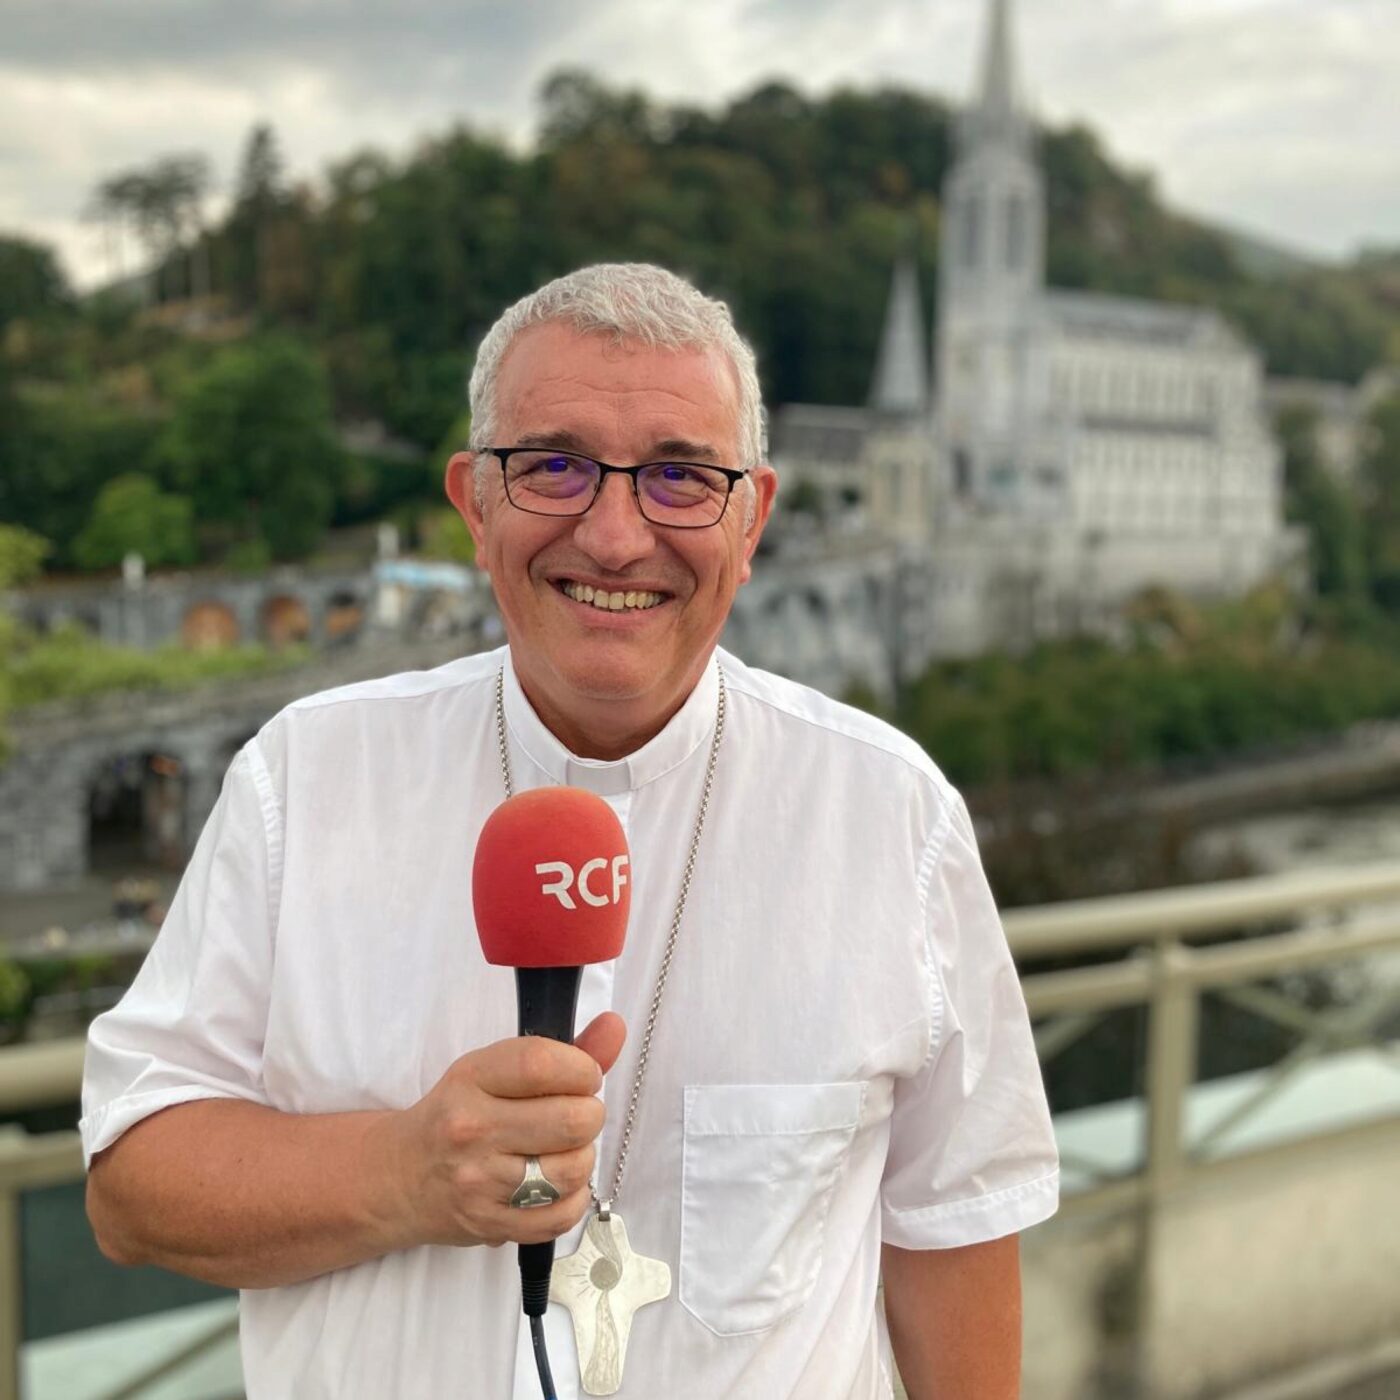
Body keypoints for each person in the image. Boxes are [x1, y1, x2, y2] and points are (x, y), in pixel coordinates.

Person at [82, 263, 1058, 1399]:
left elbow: (955, 1225)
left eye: (681, 477)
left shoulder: (892, 815)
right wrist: (400, 1172)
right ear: (472, 502)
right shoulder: (305, 778)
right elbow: (128, 1184)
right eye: (551, 465)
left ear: (752, 519)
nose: (613, 533)